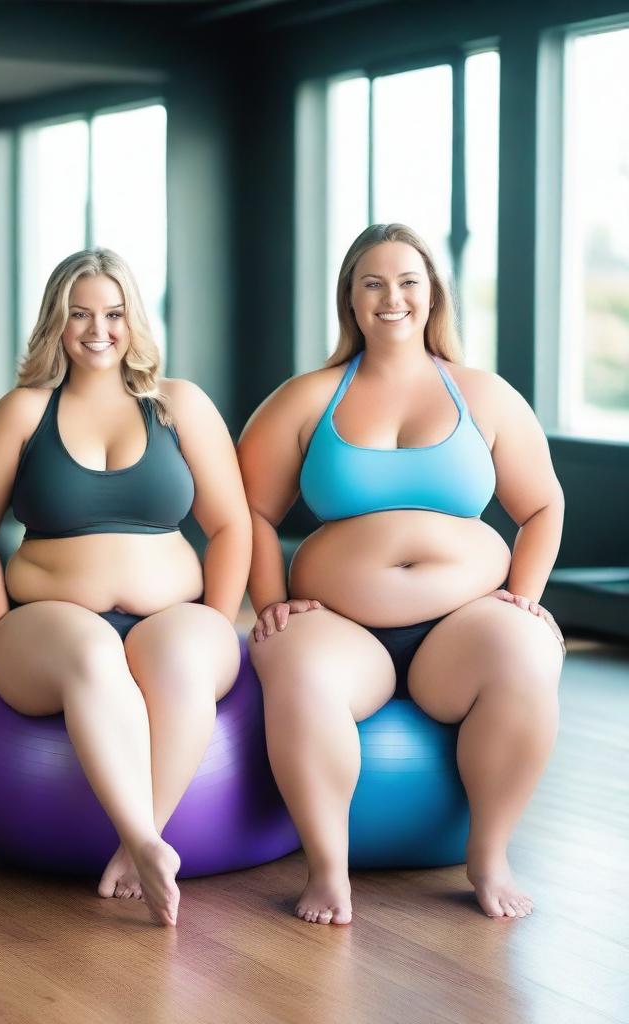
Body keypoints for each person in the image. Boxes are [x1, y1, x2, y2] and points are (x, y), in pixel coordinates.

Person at [238, 223, 564, 924]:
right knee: (294, 666)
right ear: (350, 301)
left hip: (463, 624)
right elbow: (251, 513)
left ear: (433, 295)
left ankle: (489, 853)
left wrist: (523, 598)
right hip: (343, 627)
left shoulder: (484, 394)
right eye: (373, 283)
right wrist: (269, 603)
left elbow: (541, 506)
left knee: (528, 650)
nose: (393, 297)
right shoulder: (306, 398)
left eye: (409, 281)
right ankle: (329, 869)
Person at [0, 249, 251, 927]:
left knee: (180, 658)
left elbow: (232, 524)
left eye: (114, 314)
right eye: (80, 314)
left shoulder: (179, 405)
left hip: (171, 616)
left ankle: (137, 842)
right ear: (55, 323)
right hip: (52, 624)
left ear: (134, 319)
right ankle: (145, 839)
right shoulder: (23, 411)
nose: (98, 330)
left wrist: (214, 617)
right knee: (92, 653)